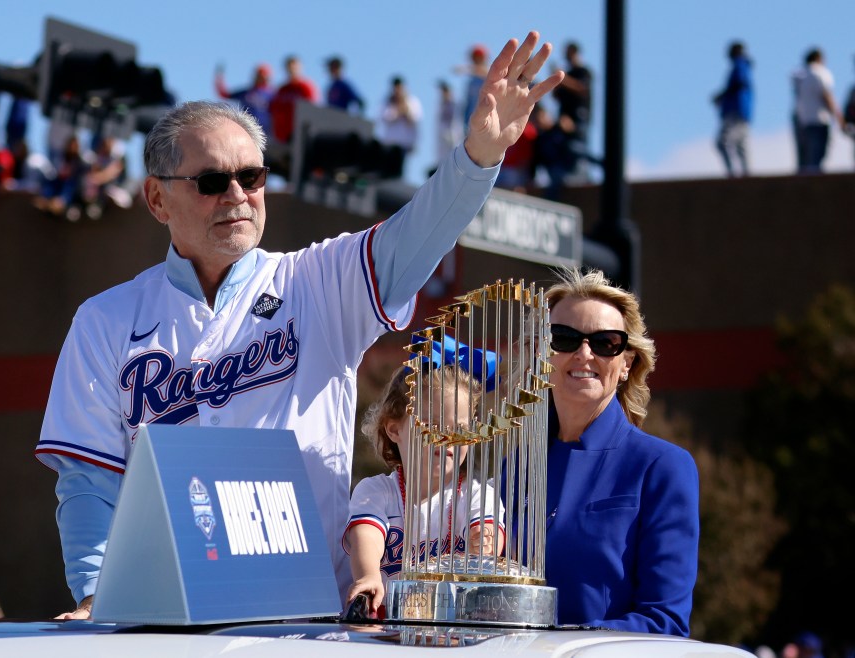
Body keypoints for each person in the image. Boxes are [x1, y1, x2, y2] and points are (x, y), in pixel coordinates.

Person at [34, 31, 564, 619]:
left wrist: (476, 159)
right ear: (158, 200)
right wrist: (93, 594)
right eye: (212, 182)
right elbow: (88, 481)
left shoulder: (316, 281)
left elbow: (413, 241)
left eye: (252, 177)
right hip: (166, 617)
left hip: (305, 617)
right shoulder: (105, 319)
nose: (237, 195)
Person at [501, 267, 699, 635]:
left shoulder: (663, 468)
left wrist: (559, 645)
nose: (584, 354)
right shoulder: (510, 467)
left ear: (627, 363)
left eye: (606, 342)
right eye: (563, 338)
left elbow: (664, 621)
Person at [344, 346, 504, 616]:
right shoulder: (377, 491)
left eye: (460, 429)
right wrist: (368, 575)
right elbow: (366, 536)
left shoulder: (478, 495)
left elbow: (489, 537)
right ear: (395, 429)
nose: (447, 438)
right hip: (386, 628)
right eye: (432, 426)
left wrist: (486, 544)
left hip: (454, 626)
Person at [793, 47, 845, 173]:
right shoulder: (820, 73)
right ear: (819, 58)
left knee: (806, 157)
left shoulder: (800, 76)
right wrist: (839, 118)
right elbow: (827, 96)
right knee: (817, 155)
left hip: (804, 120)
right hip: (819, 119)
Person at [551, 41, 593, 182]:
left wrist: (562, 78)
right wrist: (555, 81)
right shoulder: (567, 74)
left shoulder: (584, 71)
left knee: (577, 150)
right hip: (564, 121)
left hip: (579, 119)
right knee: (566, 152)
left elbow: (581, 88)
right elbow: (556, 97)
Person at [712, 41, 754, 178]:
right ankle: (746, 173)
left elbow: (739, 83)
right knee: (740, 145)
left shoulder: (740, 65)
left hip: (736, 111)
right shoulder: (743, 66)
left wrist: (723, 95)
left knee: (723, 142)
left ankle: (732, 174)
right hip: (742, 112)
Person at [268, 55, 319, 144]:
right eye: (289, 67)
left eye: (294, 66)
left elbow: (312, 108)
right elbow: (274, 111)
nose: (291, 69)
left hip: (301, 132)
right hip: (284, 135)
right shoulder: (282, 90)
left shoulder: (305, 87)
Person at [377, 76, 422, 177]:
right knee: (387, 172)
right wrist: (398, 110)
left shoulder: (412, 101)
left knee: (399, 173)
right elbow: (385, 118)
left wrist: (405, 108)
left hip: (404, 145)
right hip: (389, 144)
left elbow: (415, 119)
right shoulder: (387, 101)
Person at [214, 62, 274, 134]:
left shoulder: (272, 94)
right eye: (259, 76)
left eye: (264, 76)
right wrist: (219, 77)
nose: (261, 78)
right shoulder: (246, 93)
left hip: (268, 132)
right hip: (248, 129)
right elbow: (224, 94)